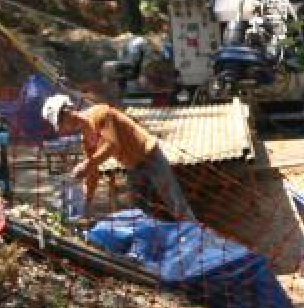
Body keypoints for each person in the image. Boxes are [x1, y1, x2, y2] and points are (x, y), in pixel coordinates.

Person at [42, 94, 195, 221]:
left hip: (150, 155)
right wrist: (87, 204)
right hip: (133, 166)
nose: (62, 128)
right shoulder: (86, 140)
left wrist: (86, 165)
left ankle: (195, 236)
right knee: (140, 211)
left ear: (68, 111)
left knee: (175, 202)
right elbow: (92, 174)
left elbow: (112, 145)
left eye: (61, 122)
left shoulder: (100, 113)